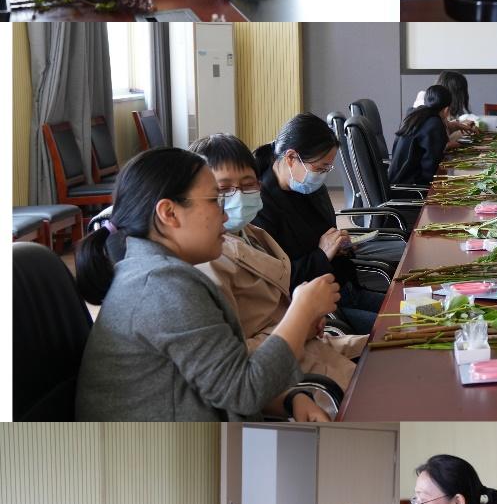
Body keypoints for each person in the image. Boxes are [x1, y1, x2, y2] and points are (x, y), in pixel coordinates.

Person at [75, 148, 338, 423]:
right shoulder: (163, 287)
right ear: (169, 213)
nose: (224, 216)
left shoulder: (153, 272)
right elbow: (244, 391)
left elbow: (219, 378)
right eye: (214, 200)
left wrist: (289, 399)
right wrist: (303, 310)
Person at [192, 134, 366, 392]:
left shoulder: (252, 233)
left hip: (316, 345)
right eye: (224, 189)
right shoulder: (206, 262)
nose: (239, 196)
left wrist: (305, 316)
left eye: (248, 185)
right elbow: (235, 363)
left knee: (406, 344)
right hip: (295, 378)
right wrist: (300, 318)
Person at [254, 113, 395, 336]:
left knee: (422, 311)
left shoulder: (307, 185)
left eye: (327, 169)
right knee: (405, 327)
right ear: (291, 158)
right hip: (326, 312)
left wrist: (340, 245)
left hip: (346, 288)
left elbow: (323, 232)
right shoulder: (261, 207)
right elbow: (278, 281)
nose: (322, 176)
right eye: (320, 168)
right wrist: (322, 254)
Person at [389, 85, 452, 186]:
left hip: (396, 181)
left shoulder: (414, 114)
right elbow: (431, 168)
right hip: (412, 188)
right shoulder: (434, 124)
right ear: (446, 110)